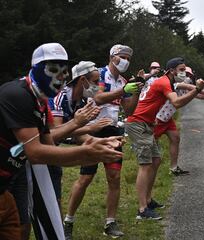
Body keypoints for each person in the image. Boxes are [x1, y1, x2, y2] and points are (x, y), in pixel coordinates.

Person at [0, 43, 122, 240]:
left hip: (8, 178)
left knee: (21, 228)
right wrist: (86, 148)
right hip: (14, 173)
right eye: (55, 69)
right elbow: (36, 152)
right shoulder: (18, 95)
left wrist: (95, 143)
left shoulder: (40, 102)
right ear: (37, 69)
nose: (63, 76)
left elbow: (48, 146)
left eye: (65, 70)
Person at [63, 44, 143, 239]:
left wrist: (136, 91)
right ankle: (68, 221)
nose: (125, 61)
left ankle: (110, 222)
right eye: (122, 57)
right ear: (112, 57)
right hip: (93, 129)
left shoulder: (123, 80)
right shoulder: (99, 74)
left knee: (114, 178)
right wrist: (122, 90)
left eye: (128, 58)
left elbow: (130, 110)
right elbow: (98, 98)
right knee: (86, 177)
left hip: (112, 131)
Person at [125, 57, 204, 220]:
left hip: (146, 123)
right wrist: (196, 90)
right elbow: (176, 103)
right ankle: (142, 210)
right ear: (171, 71)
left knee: (155, 160)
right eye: (181, 70)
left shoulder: (165, 82)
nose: (184, 73)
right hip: (137, 123)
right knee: (145, 165)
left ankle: (148, 200)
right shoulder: (163, 82)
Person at [48, 61, 113, 215]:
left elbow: (78, 136)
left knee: (55, 200)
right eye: (96, 82)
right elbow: (56, 133)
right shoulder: (58, 97)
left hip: (51, 153)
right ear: (82, 80)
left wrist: (103, 142)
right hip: (38, 151)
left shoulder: (81, 102)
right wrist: (90, 127)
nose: (98, 86)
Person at [154, 66, 204, 176]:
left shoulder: (187, 90)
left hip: (167, 119)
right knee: (151, 144)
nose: (188, 78)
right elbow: (190, 87)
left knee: (175, 138)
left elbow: (199, 95)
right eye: (186, 75)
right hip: (157, 118)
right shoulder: (174, 84)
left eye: (190, 76)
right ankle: (150, 168)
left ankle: (174, 167)